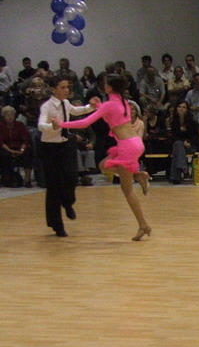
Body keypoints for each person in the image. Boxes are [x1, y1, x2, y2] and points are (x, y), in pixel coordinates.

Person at [57, 74, 152, 241]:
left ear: (110, 87)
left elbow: (85, 123)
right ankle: (138, 175)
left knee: (128, 190)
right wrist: (98, 106)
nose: (104, 85)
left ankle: (143, 225)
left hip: (127, 146)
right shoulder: (123, 102)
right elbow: (111, 114)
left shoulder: (110, 104)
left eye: (106, 83)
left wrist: (62, 124)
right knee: (103, 165)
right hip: (135, 143)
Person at [37, 76, 96, 236]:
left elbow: (77, 111)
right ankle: (57, 225)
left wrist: (91, 107)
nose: (66, 90)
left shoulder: (66, 103)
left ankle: (68, 202)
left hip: (65, 145)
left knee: (71, 178)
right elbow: (41, 125)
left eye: (67, 87)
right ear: (53, 89)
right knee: (54, 187)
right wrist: (52, 126)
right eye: (62, 87)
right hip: (50, 148)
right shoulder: (47, 106)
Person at [0, 105, 32, 187]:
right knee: (3, 155)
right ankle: (7, 178)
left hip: (19, 148)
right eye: (7, 115)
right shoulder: (1, 126)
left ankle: (27, 180)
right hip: (6, 149)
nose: (10, 117)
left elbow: (25, 139)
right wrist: (10, 151)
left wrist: (22, 150)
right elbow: (1, 142)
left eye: (11, 115)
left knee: (28, 153)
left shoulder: (20, 125)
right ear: (4, 117)